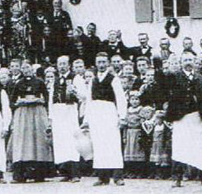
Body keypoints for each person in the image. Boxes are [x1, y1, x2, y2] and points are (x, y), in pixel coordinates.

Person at [165, 51, 202, 187]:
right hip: (180, 116)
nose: (188, 63)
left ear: (194, 62)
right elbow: (169, 97)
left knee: (200, 146)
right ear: (181, 63)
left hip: (197, 116)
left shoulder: (201, 78)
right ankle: (177, 177)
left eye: (190, 60)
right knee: (180, 147)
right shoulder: (174, 77)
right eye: (185, 60)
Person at [8, 59, 53, 183]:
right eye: (24, 69)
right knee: (23, 141)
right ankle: (20, 174)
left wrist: (40, 101)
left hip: (37, 113)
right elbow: (12, 101)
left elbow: (47, 99)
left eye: (28, 68)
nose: (26, 71)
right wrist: (19, 102)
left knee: (38, 140)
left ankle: (39, 174)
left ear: (32, 69)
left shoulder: (40, 82)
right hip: (23, 114)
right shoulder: (18, 83)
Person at [87, 52, 127, 186]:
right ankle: (102, 177)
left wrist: (122, 117)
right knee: (99, 144)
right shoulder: (92, 80)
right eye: (99, 62)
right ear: (96, 64)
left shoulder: (113, 79)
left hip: (109, 113)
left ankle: (118, 176)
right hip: (96, 114)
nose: (101, 65)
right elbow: (89, 99)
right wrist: (87, 119)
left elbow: (121, 99)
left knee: (113, 144)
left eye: (104, 62)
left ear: (108, 63)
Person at [49, 55, 82, 182]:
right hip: (58, 112)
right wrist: (51, 117)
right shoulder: (56, 80)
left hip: (70, 110)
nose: (62, 66)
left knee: (71, 141)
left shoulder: (76, 78)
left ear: (69, 65)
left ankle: (75, 173)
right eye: (59, 64)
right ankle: (65, 171)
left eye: (64, 64)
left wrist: (75, 92)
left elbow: (83, 96)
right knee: (61, 141)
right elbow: (51, 99)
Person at [121, 91, 148, 177]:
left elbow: (143, 122)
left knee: (138, 151)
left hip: (137, 132)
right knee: (129, 152)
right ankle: (130, 171)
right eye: (132, 99)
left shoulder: (141, 109)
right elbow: (125, 124)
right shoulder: (128, 110)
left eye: (136, 99)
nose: (134, 101)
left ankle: (139, 172)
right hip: (129, 133)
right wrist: (124, 136)